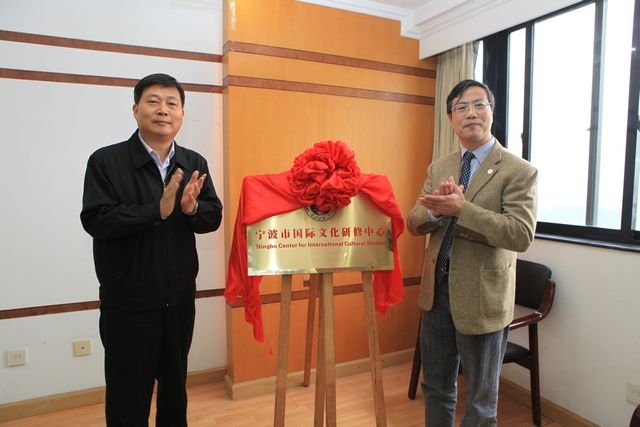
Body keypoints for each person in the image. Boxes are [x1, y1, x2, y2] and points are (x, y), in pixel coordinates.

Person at [81, 73, 223, 427]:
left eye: (172, 103)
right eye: (154, 101)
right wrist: (154, 211)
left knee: (175, 392)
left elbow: (213, 216)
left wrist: (191, 209)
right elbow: (97, 219)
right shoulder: (106, 161)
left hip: (178, 301)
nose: (163, 110)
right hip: (128, 304)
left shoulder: (194, 163)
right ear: (136, 110)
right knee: (128, 397)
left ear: (181, 114)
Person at [406, 79, 537, 426]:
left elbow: (520, 234)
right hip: (436, 294)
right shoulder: (439, 166)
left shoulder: (518, 171)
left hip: (482, 297)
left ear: (492, 112)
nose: (471, 113)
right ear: (451, 119)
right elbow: (414, 222)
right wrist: (436, 213)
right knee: (435, 386)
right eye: (461, 107)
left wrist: (462, 209)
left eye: (479, 104)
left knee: (480, 402)